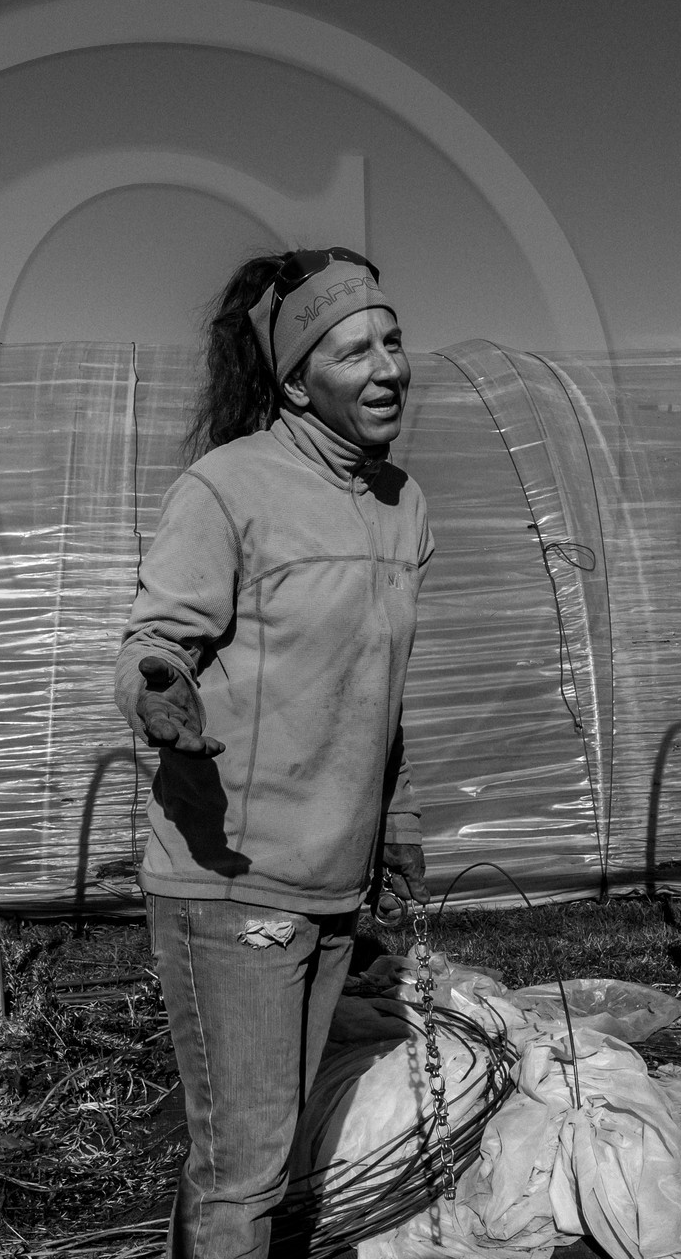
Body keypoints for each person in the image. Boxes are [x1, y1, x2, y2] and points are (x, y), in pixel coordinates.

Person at [115, 248, 431, 1258]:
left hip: (336, 874)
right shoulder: (229, 486)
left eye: (392, 341)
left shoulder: (402, 502)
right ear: (298, 378)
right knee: (245, 1169)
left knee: (266, 1156)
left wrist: (398, 823)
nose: (386, 367)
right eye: (353, 352)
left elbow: (376, 690)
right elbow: (154, 640)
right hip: (231, 878)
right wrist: (159, 689)